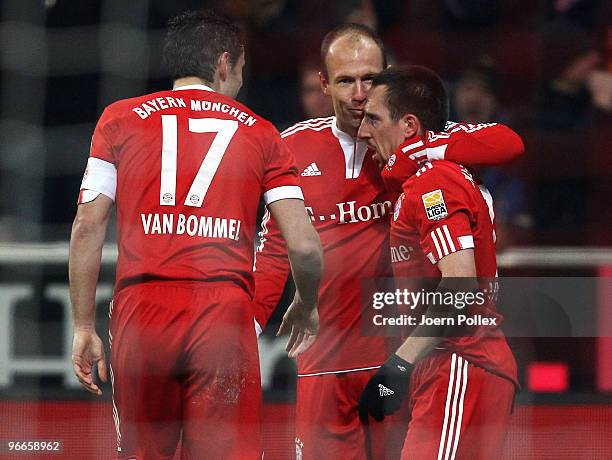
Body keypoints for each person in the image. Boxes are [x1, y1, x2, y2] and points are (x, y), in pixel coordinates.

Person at [253, 23, 524, 459]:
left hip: (404, 357)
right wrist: (244, 333)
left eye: (369, 79)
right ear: (324, 84)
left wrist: (417, 151)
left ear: (388, 76)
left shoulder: (423, 144)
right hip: (325, 364)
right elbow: (272, 256)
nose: (359, 93)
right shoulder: (291, 149)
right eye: (345, 80)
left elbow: (508, 143)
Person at [68, 10, 322, 460]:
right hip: (222, 316)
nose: (240, 83)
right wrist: (306, 301)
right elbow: (302, 243)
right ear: (224, 64)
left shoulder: (119, 118)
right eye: (241, 71)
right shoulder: (262, 133)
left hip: (142, 314)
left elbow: (88, 225)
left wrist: (84, 325)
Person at [357, 65, 519, 459]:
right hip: (456, 364)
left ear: (409, 126)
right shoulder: (423, 181)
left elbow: (460, 288)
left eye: (373, 119)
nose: (363, 132)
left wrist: (397, 366)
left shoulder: (434, 182)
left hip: (461, 361)